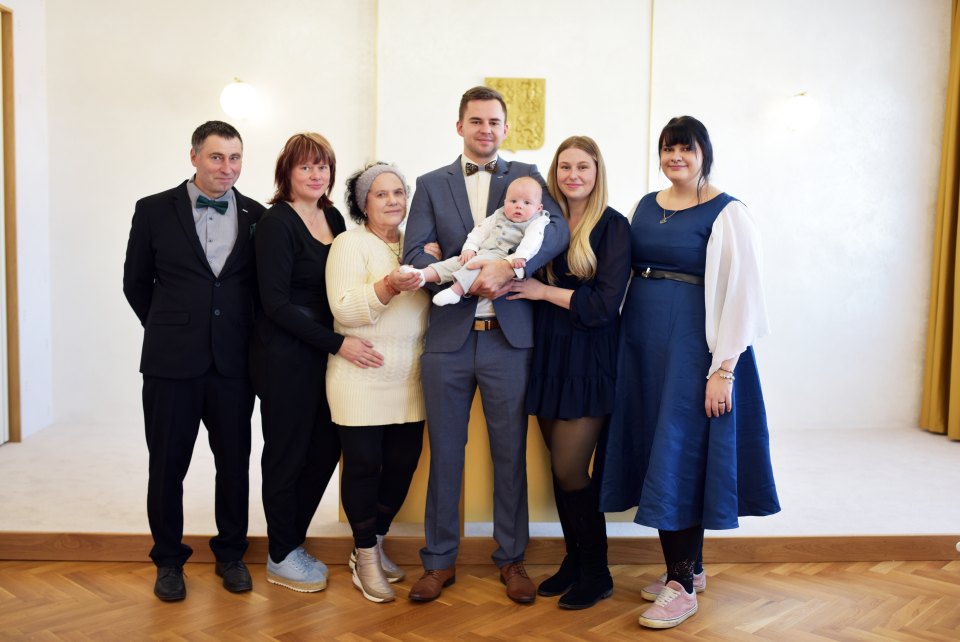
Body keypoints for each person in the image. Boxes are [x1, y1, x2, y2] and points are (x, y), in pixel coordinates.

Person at [599, 116, 780, 629]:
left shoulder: (728, 211)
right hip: (641, 346)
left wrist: (724, 369)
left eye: (686, 149)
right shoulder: (644, 205)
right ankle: (690, 570)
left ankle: (679, 586)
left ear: (704, 154)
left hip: (692, 351)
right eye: (668, 149)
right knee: (656, 447)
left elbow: (744, 294)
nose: (675, 157)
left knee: (678, 453)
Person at [402, 85, 569, 604]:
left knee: (509, 454)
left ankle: (512, 559)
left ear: (505, 128)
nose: (485, 129)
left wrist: (510, 267)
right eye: (476, 121)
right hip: (447, 343)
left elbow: (556, 231)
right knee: (445, 455)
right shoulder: (431, 183)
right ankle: (438, 562)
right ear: (460, 126)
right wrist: (471, 276)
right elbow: (414, 252)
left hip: (509, 340)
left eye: (494, 121)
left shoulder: (528, 177)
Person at [123, 120, 264, 601]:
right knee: (167, 466)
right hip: (171, 364)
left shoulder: (257, 214)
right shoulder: (153, 210)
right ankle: (168, 561)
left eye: (235, 158)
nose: (227, 167)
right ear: (194, 157)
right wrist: (171, 327)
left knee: (235, 465)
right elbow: (135, 283)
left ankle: (231, 555)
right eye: (216, 157)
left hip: (234, 364)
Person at [249, 133, 379, 593]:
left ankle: (292, 540)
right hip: (284, 355)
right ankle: (280, 553)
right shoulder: (275, 223)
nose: (315, 174)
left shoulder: (333, 216)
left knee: (324, 448)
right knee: (286, 453)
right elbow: (275, 305)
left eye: (322, 166)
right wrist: (338, 344)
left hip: (325, 348)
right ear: (286, 172)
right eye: (305, 166)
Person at [507, 136, 630, 610]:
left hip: (590, 358)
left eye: (583, 166)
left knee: (570, 468)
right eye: (564, 167)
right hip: (550, 355)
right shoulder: (545, 221)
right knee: (560, 473)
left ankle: (598, 571)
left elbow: (603, 305)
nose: (573, 175)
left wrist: (543, 293)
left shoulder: (613, 226)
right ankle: (575, 561)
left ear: (597, 172)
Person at [325, 162, 430, 603]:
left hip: (410, 377)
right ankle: (365, 555)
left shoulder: (417, 245)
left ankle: (376, 541)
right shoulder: (350, 243)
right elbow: (345, 310)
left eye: (398, 192)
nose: (392, 201)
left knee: (403, 465)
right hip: (360, 377)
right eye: (381, 194)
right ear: (363, 203)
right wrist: (388, 285)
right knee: (364, 465)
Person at [403, 176, 550, 307]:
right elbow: (481, 230)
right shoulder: (499, 214)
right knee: (457, 262)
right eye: (513, 201)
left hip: (502, 258)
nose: (519, 206)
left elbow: (533, 239)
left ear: (539, 208)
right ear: (505, 202)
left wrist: (521, 256)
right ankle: (422, 275)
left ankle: (456, 292)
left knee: (473, 267)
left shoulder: (538, 221)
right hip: (483, 252)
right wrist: (470, 247)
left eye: (527, 203)